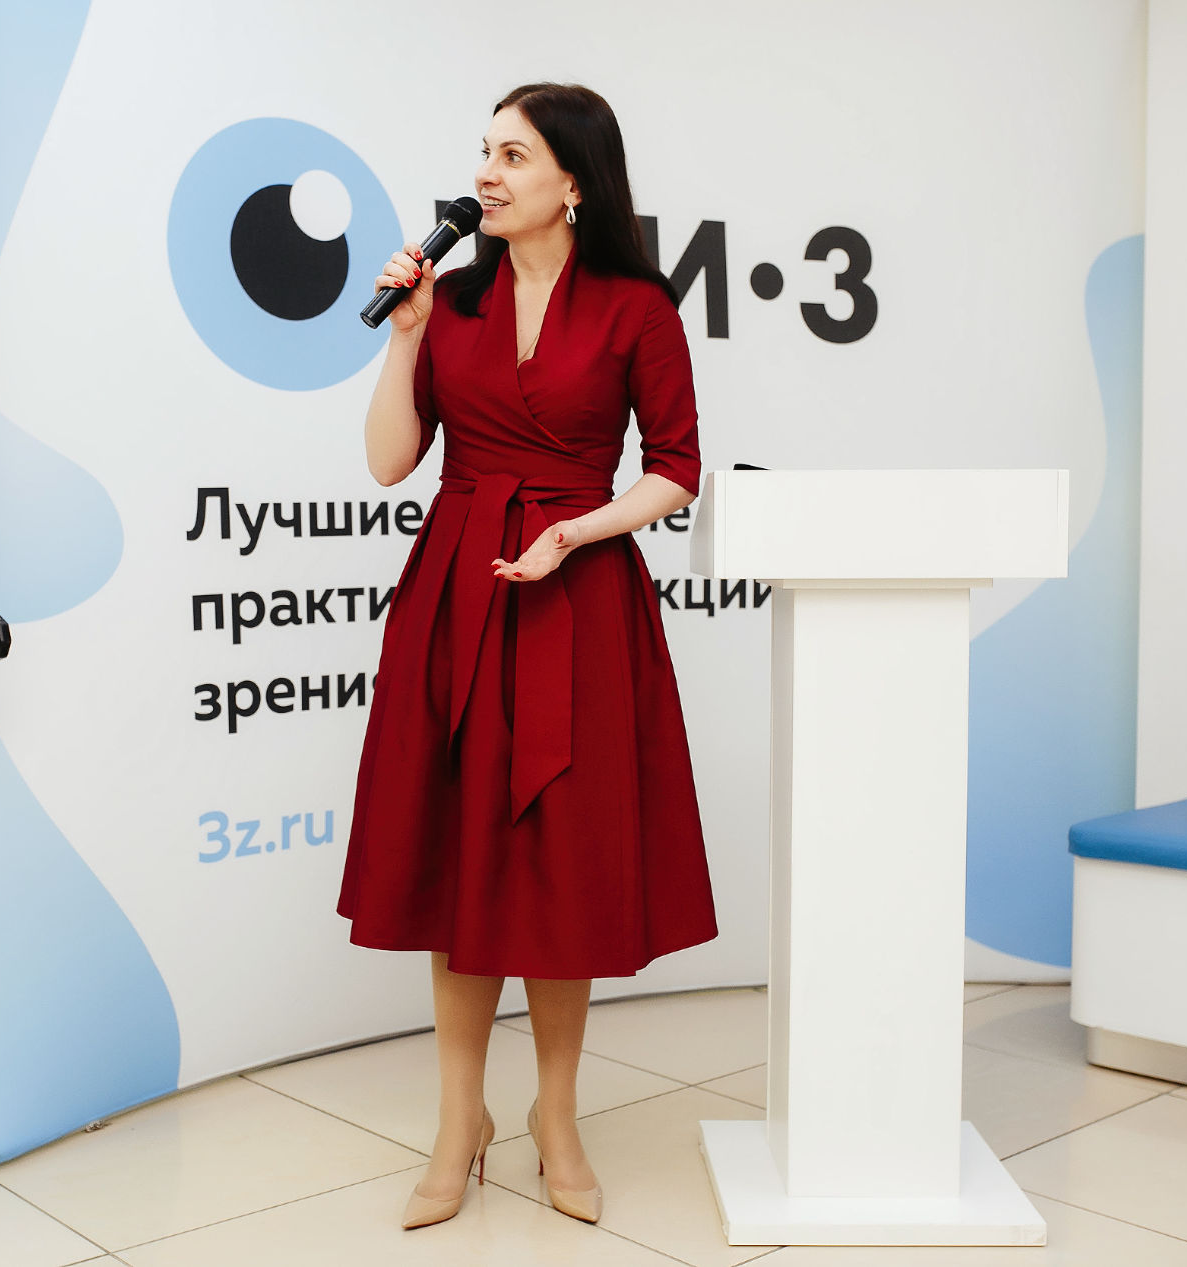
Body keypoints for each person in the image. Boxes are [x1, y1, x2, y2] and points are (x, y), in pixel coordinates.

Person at [335, 83, 719, 1230]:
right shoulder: (448, 299)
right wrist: (405, 339)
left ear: (574, 182)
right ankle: (460, 1120)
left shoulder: (636, 307)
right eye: (484, 153)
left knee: (560, 864)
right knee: (460, 853)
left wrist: (575, 533)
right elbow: (389, 463)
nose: (485, 175)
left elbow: (676, 467)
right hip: (455, 589)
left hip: (576, 592)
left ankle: (557, 1114)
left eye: (513, 155)